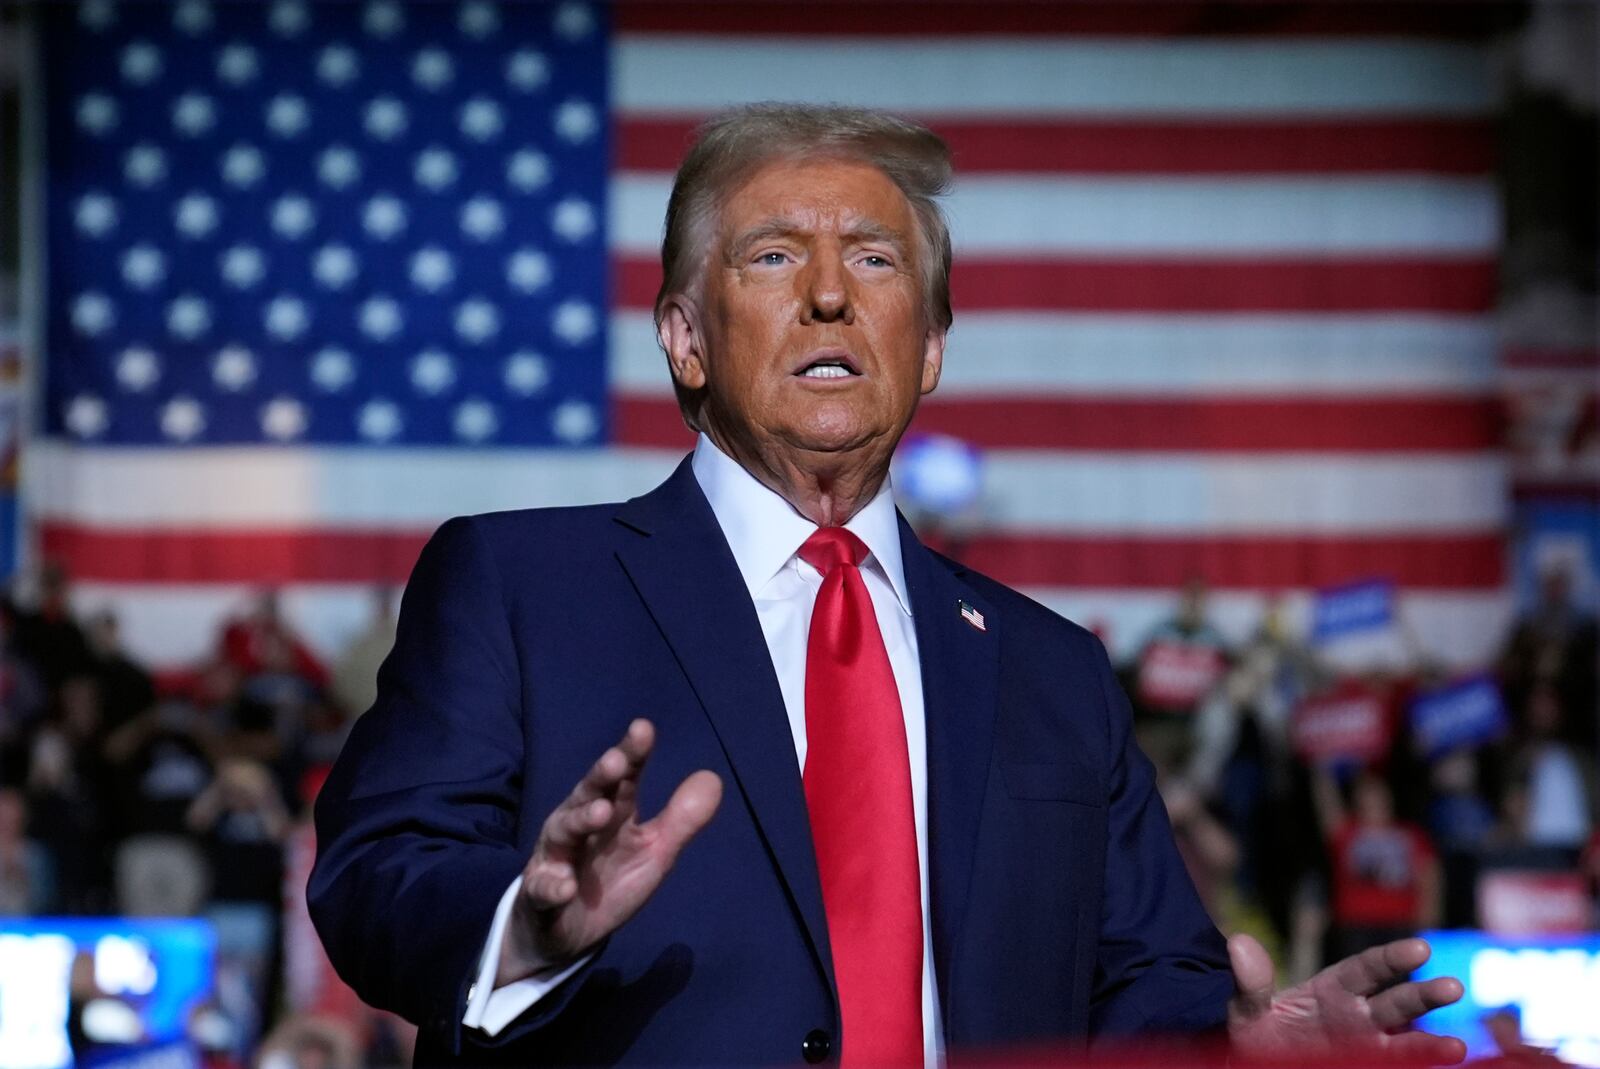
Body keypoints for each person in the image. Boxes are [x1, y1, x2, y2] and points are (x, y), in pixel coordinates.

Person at [309, 105, 1463, 1067]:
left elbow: (1143, 974)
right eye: (771, 255)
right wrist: (528, 923)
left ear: (929, 349)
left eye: (874, 259)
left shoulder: (1053, 668)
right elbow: (374, 877)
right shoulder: (517, 585)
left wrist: (1227, 1045)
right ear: (683, 336)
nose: (827, 295)